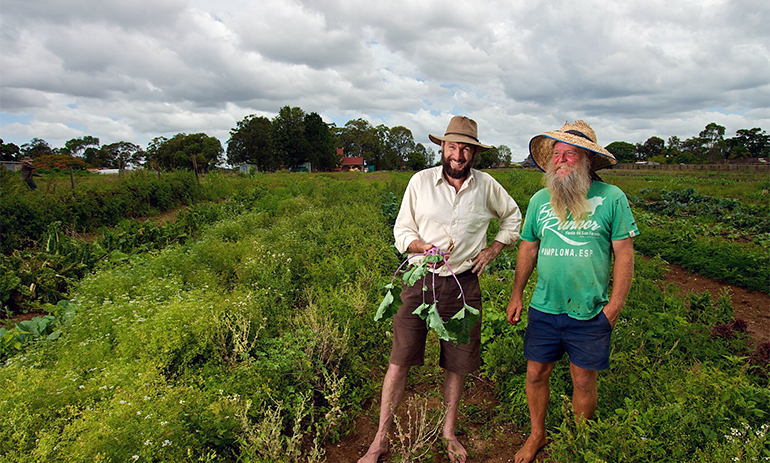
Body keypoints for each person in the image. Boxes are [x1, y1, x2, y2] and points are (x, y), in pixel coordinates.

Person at [359, 116, 522, 463]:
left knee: (457, 363)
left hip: (462, 285)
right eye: (452, 146)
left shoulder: (487, 186)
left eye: (465, 148)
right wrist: (419, 246)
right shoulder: (420, 183)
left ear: (474, 152)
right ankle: (381, 438)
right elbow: (402, 231)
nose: (458, 154)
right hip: (420, 279)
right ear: (442, 148)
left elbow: (513, 218)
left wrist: (495, 248)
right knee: (399, 359)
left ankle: (448, 432)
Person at [506, 120, 638, 463]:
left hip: (591, 309)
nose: (561, 160)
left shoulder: (612, 199)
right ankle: (537, 434)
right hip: (545, 307)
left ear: (588, 161)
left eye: (570, 154)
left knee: (583, 380)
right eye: (557, 155)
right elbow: (528, 249)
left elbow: (624, 252)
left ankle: (578, 442)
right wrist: (517, 294)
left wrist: (614, 307)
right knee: (536, 372)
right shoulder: (540, 200)